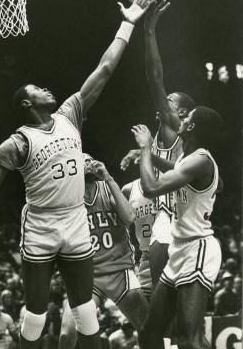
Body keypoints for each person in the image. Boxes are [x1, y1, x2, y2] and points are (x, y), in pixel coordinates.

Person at [0, 0, 150, 349]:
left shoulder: (70, 115)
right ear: (28, 103)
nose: (48, 88)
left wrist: (128, 22)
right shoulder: (17, 143)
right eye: (38, 88)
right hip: (42, 225)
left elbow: (104, 70)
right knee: (35, 315)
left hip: (76, 220)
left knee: (86, 314)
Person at [131, 106, 223, 349]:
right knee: (149, 331)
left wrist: (145, 148)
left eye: (187, 117)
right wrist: (150, 156)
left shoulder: (201, 160)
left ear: (191, 127)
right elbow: (183, 171)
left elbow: (150, 188)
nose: (182, 119)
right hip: (178, 251)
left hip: (198, 248)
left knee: (187, 340)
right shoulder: (189, 159)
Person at [121, 0, 195, 288]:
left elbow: (155, 78)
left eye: (170, 102)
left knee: (161, 311)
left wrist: (149, 31)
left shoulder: (174, 127)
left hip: (173, 219)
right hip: (167, 217)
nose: (162, 105)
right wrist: (142, 153)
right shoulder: (164, 137)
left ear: (180, 113)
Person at [58, 155, 148, 349]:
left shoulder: (108, 189)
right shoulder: (68, 200)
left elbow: (130, 217)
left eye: (90, 162)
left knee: (147, 328)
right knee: (67, 334)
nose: (88, 166)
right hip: (87, 276)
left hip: (119, 270)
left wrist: (108, 178)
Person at [122, 178, 157, 298]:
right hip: (146, 255)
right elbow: (123, 226)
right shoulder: (129, 190)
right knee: (145, 310)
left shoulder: (174, 181)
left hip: (172, 251)